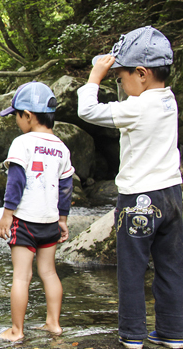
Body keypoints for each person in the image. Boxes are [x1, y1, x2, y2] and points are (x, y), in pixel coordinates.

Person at [78, 26, 183, 349]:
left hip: (140, 199)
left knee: (132, 269)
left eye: (121, 78)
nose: (119, 85)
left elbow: (87, 111)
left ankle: (132, 335)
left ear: (142, 73)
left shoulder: (138, 108)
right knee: (171, 267)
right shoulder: (168, 101)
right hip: (173, 195)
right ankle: (172, 332)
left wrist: (95, 77)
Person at [0, 81, 74, 342]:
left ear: (27, 115)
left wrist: (7, 214)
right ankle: (53, 323)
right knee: (49, 272)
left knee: (22, 276)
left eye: (16, 115)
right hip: (50, 221)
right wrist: (62, 219)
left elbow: (15, 182)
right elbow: (66, 187)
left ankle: (17, 331)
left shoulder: (22, 143)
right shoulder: (62, 147)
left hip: (25, 221)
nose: (16, 121)